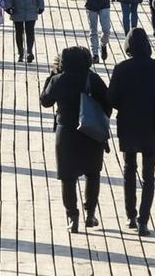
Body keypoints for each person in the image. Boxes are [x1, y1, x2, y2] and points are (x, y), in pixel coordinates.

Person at [108, 27, 155, 237]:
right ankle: (144, 221)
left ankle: (130, 215)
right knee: (149, 175)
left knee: (129, 169)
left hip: (129, 125)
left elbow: (112, 99)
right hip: (154, 125)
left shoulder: (121, 68)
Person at [39, 46, 111, 233]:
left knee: (67, 177)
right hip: (91, 133)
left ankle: (72, 216)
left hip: (66, 133)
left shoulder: (58, 80)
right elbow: (108, 104)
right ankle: (91, 214)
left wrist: (52, 74)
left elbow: (45, 101)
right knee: (93, 173)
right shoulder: (92, 79)